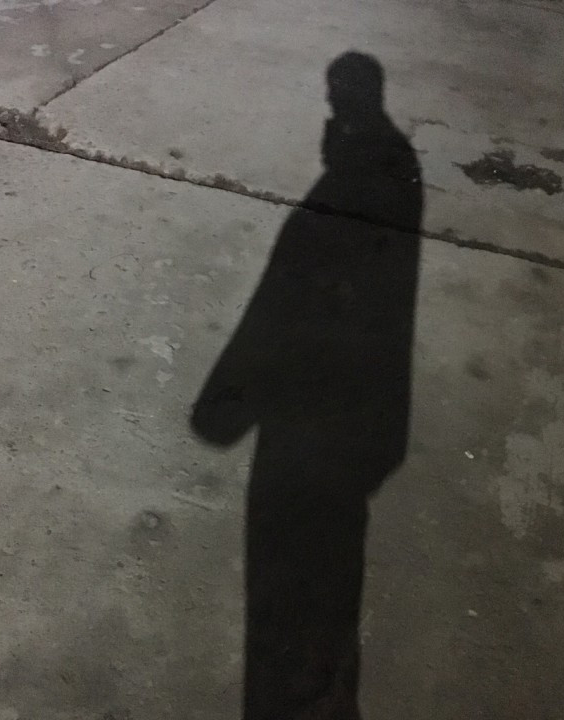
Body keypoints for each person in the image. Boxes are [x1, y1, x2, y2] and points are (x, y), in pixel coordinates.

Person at [192, 51, 423, 720]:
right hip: (360, 425)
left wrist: (226, 405)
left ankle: (309, 699)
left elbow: (282, 299)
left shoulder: (348, 185)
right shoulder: (393, 165)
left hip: (313, 429)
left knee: (295, 575)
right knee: (329, 568)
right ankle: (325, 691)